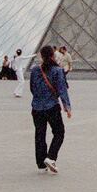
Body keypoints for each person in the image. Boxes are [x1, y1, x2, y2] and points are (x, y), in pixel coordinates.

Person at [30, 45, 71, 174]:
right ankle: (51, 157)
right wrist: (67, 107)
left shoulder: (35, 70)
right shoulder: (57, 70)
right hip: (52, 107)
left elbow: (32, 88)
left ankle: (41, 164)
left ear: (41, 56)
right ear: (53, 55)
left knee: (40, 134)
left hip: (36, 108)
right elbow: (62, 90)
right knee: (59, 132)